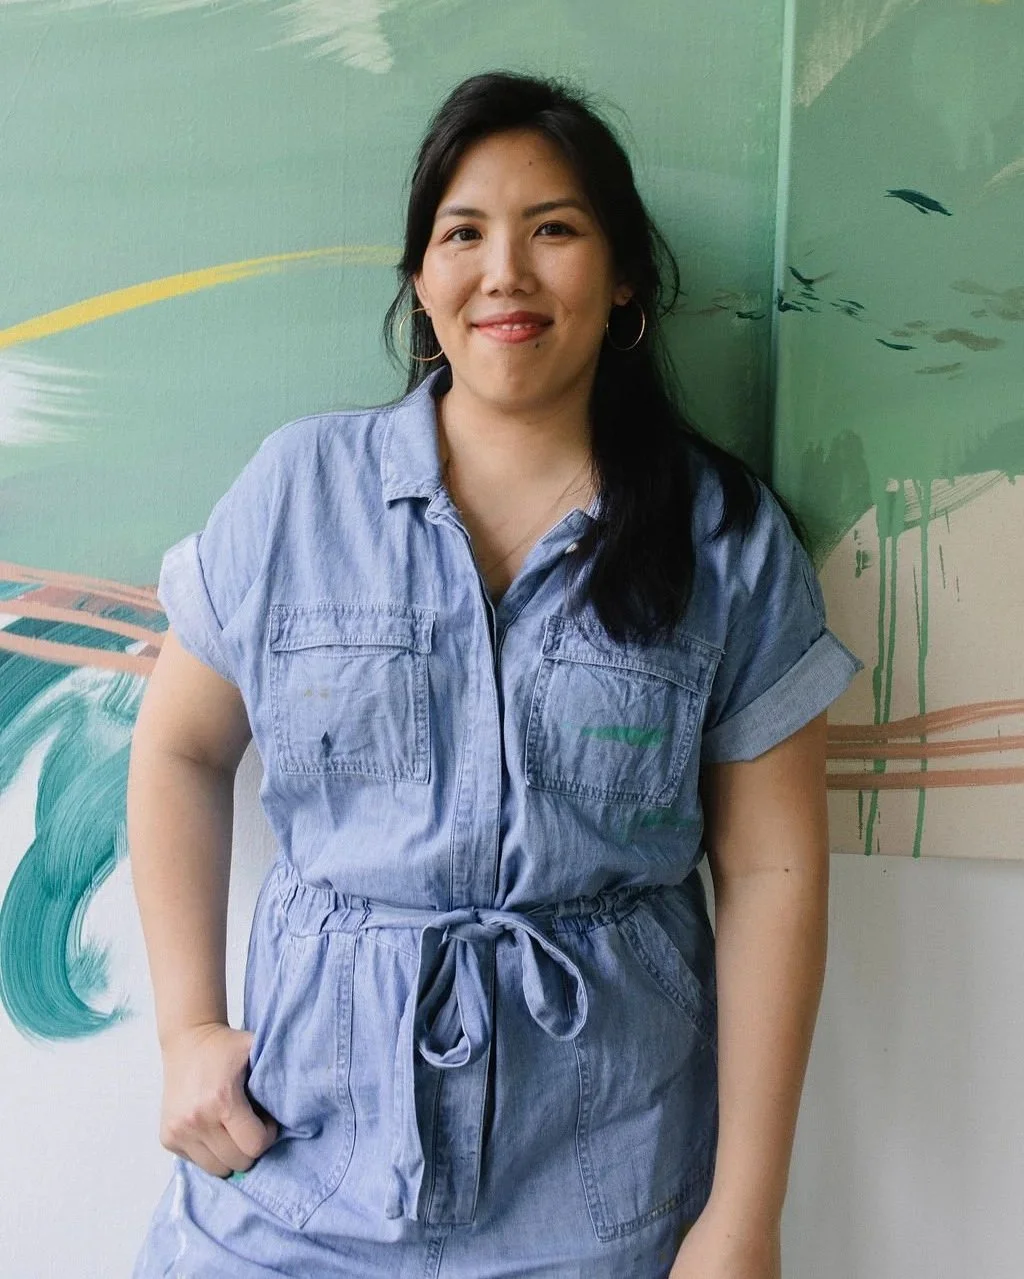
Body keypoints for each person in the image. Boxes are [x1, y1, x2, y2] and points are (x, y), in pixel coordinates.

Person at [128, 70, 863, 1279]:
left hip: (602, 1184)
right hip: (298, 1160)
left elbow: (773, 873)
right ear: (421, 279)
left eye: (553, 230)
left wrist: (744, 1216)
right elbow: (179, 747)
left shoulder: (724, 540)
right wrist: (187, 1028)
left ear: (622, 277)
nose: (505, 272)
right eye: (463, 233)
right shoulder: (297, 492)